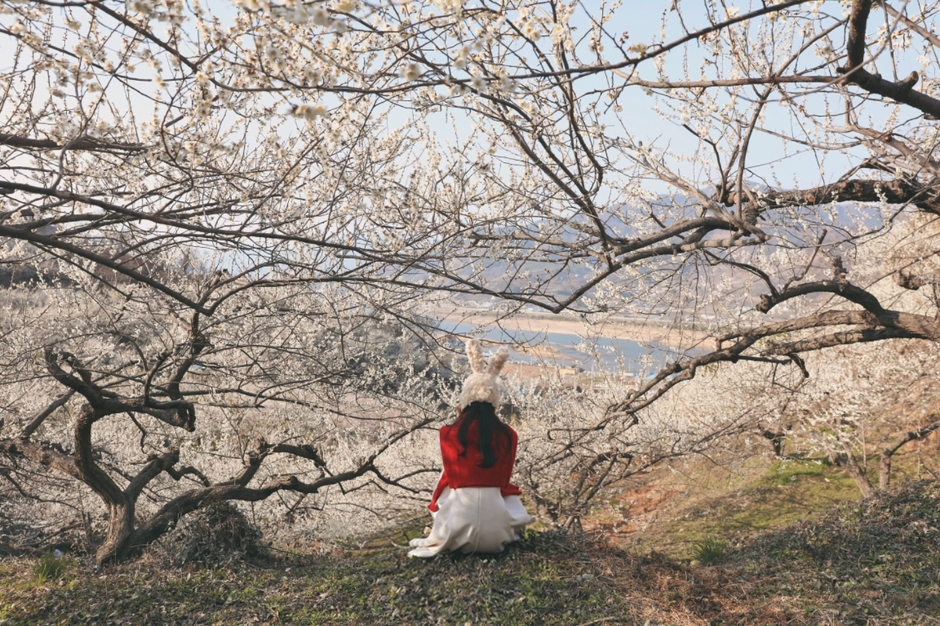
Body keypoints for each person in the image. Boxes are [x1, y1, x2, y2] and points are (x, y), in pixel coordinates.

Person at [409, 339, 532, 558]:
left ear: (465, 397)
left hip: (459, 517)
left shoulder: (449, 432)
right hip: (498, 525)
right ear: (495, 399)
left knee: (445, 482)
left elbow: (452, 478)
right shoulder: (509, 435)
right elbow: (503, 481)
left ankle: (441, 535)